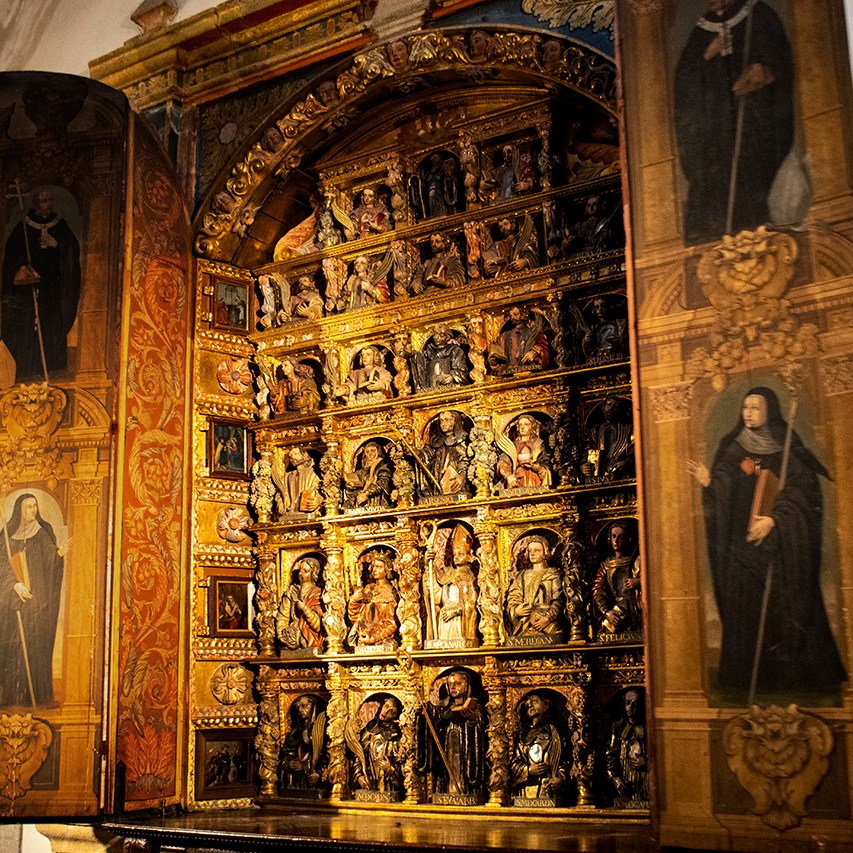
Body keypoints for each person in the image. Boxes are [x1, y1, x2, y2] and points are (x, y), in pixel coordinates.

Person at [687, 387, 846, 696]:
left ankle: (793, 678)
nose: (748, 413)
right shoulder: (733, 448)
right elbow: (724, 487)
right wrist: (709, 483)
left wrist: (775, 520)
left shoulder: (786, 447)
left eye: (755, 407)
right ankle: (748, 678)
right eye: (745, 407)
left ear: (769, 411)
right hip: (743, 544)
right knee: (746, 604)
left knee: (783, 605)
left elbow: (804, 493)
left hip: (781, 547)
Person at [674, 1, 795, 244]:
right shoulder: (701, 32)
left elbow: (781, 60)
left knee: (750, 184)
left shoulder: (758, 15)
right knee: (712, 190)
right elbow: (684, 84)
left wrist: (765, 71)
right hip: (714, 138)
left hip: (753, 127)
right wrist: (707, 55)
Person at [1, 189, 81, 382]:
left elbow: (72, 250)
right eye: (42, 201)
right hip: (28, 289)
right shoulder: (23, 227)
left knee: (51, 324)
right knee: (28, 326)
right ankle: (27, 369)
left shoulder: (60, 225)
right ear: (36, 203)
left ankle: (53, 367)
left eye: (49, 200)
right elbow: (11, 256)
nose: (46, 204)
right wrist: (22, 267)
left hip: (52, 288)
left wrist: (57, 245)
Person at [0, 493, 66, 706]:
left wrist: (59, 555)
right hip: (12, 601)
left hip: (36, 601)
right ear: (19, 510)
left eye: (35, 506)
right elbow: (2, 565)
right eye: (28, 506)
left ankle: (37, 696)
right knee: (11, 644)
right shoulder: (6, 536)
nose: (33, 510)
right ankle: (9, 697)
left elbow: (50, 561)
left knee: (35, 644)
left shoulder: (42, 533)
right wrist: (14, 585)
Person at [418, 670, 485, 801]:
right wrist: (426, 712)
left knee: (462, 767)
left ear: (467, 686)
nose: (453, 687)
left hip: (465, 749)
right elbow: (436, 724)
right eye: (450, 684)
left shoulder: (475, 706)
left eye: (458, 684)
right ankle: (447, 788)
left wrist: (472, 720)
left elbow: (481, 726)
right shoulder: (445, 709)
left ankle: (465, 789)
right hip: (448, 748)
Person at [424, 524, 479, 646]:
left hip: (459, 621)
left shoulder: (471, 577)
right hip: (444, 620)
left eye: (461, 554)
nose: (457, 558)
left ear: (469, 556)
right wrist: (429, 566)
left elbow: (472, 603)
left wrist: (456, 611)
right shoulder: (447, 575)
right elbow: (436, 596)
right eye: (455, 554)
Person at [505, 536, 567, 641]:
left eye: (537, 550)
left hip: (549, 622)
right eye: (530, 551)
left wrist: (548, 618)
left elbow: (559, 600)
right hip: (526, 622)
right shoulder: (521, 576)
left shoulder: (553, 574)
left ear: (545, 552)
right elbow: (513, 597)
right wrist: (516, 611)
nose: (532, 554)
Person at [510, 691, 568, 801]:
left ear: (546, 705)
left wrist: (560, 778)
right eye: (527, 705)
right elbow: (514, 763)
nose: (530, 705)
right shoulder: (523, 735)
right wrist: (528, 770)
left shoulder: (556, 733)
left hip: (549, 790)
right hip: (526, 792)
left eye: (534, 702)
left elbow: (566, 760)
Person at [347, 696, 404, 796]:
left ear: (396, 716)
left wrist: (390, 769)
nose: (386, 712)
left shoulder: (397, 736)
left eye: (392, 711)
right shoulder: (370, 729)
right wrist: (359, 776)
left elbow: (404, 765)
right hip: (370, 782)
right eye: (386, 706)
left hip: (389, 787)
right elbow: (358, 754)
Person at [592, 522, 642, 636]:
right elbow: (598, 591)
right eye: (614, 536)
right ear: (609, 539)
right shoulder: (606, 565)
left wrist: (639, 582)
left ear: (628, 539)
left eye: (621, 537)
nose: (616, 540)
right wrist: (606, 612)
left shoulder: (637, 561)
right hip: (617, 610)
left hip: (636, 609)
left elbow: (653, 581)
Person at [346, 550, 399, 649]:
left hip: (381, 639)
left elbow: (392, 624)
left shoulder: (390, 592)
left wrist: (374, 638)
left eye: (378, 567)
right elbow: (356, 617)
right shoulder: (368, 589)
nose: (374, 570)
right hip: (363, 637)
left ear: (386, 570)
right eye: (373, 566)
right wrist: (354, 600)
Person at [279, 694, 328, 794]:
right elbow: (285, 756)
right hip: (296, 780)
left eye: (305, 706)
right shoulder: (294, 733)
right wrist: (288, 765)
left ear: (314, 707)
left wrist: (319, 773)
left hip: (314, 780)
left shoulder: (322, 732)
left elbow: (329, 755)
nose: (300, 710)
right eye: (298, 707)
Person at [606, 688, 648, 802]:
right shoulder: (618, 729)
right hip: (625, 783)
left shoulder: (649, 729)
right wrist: (615, 778)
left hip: (647, 782)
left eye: (635, 703)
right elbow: (610, 756)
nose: (630, 707)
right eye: (628, 703)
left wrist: (648, 762)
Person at [581, 396, 634, 480]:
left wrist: (627, 462)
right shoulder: (596, 431)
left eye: (615, 406)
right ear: (603, 408)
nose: (610, 409)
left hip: (622, 473)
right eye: (608, 405)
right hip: (600, 475)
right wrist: (584, 466)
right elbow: (588, 450)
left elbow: (635, 449)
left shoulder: (629, 429)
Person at [420, 410, 470, 498]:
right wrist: (419, 453)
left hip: (453, 482)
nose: (443, 424)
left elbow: (464, 460)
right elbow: (427, 454)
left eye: (446, 420)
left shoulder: (462, 440)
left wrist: (462, 474)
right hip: (437, 485)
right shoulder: (437, 442)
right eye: (441, 421)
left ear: (455, 421)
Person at [488, 306, 552, 375]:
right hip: (510, 371)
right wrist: (493, 359)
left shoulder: (534, 333)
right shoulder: (504, 336)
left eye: (515, 315)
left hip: (533, 371)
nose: (512, 318)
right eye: (511, 316)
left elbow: (543, 346)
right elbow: (495, 350)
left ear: (523, 315)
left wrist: (535, 352)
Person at [277, 556, 324, 651]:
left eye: (305, 571)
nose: (301, 573)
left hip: (309, 633)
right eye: (300, 570)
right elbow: (283, 616)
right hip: (293, 632)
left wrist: (304, 609)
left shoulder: (318, 593)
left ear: (313, 573)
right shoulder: (292, 591)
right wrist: (281, 634)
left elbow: (317, 625)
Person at [496, 414, 552, 490]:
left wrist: (539, 468)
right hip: (516, 480)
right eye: (520, 425)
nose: (522, 427)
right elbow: (503, 462)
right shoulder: (512, 446)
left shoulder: (539, 444)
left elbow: (546, 462)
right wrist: (508, 475)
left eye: (526, 424)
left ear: (532, 427)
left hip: (534, 480)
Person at [412, 323, 470, 392]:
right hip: (431, 390)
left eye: (441, 335)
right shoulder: (428, 352)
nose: (437, 337)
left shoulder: (455, 350)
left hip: (450, 389)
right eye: (435, 334)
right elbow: (420, 364)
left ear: (448, 337)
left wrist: (451, 376)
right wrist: (412, 354)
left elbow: (462, 371)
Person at [343, 441, 393, 509]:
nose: (370, 454)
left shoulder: (383, 467)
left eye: (373, 451)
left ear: (378, 452)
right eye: (367, 451)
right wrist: (350, 487)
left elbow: (382, 483)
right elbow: (357, 488)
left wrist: (367, 494)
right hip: (361, 504)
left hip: (377, 503)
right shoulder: (361, 472)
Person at [277, 446, 322, 516]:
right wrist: (279, 503)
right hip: (289, 513)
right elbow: (279, 493)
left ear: (305, 455)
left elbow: (320, 490)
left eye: (296, 454)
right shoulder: (287, 476)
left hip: (307, 511)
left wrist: (317, 501)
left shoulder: (313, 473)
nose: (292, 457)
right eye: (290, 456)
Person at [581, 296, 627, 362]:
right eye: (597, 307)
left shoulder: (620, 323)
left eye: (603, 306)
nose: (600, 309)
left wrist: (619, 341)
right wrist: (587, 340)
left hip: (616, 355)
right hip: (599, 358)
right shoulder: (593, 328)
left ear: (609, 306)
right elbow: (588, 348)